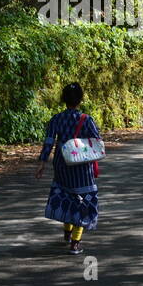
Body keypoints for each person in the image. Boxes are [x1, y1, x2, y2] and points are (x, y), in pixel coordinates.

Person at [35, 82, 102, 255]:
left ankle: (67, 232)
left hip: (61, 165)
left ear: (63, 99)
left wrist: (42, 163)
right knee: (82, 201)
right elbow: (97, 142)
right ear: (81, 99)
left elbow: (49, 142)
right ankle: (75, 243)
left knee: (67, 196)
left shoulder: (56, 119)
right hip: (81, 167)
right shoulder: (86, 120)